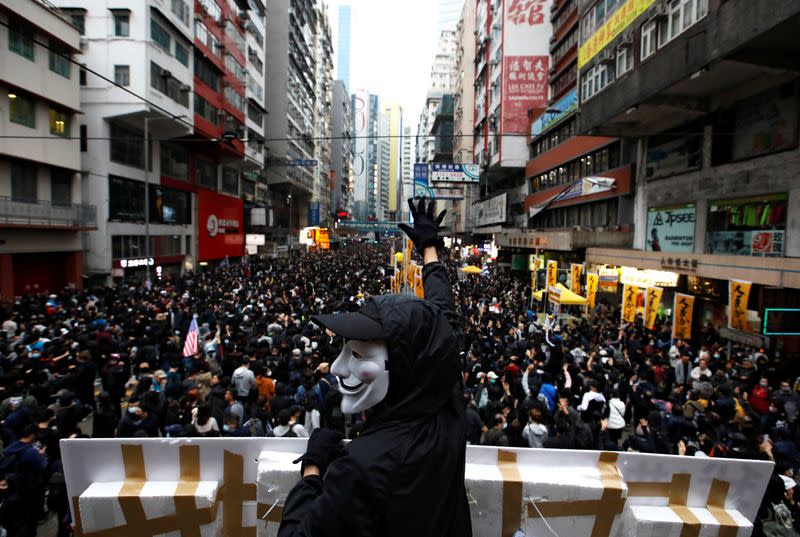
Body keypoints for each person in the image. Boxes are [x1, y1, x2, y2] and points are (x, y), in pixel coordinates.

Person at [278, 198, 471, 537]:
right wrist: (430, 251)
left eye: (359, 355)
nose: (337, 368)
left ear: (401, 366)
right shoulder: (445, 404)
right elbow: (443, 317)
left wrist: (312, 470)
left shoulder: (361, 467)